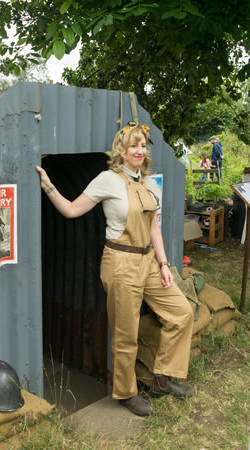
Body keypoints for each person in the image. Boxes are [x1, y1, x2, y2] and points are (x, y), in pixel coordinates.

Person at [36, 121, 194, 417]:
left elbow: (154, 228)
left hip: (148, 261)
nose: (139, 150)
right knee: (125, 333)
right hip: (120, 264)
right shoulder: (107, 179)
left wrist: (163, 263)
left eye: (143, 145)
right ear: (121, 150)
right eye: (133, 145)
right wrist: (49, 186)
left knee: (181, 313)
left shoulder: (147, 182)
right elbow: (71, 210)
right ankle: (126, 392)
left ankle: (162, 378)